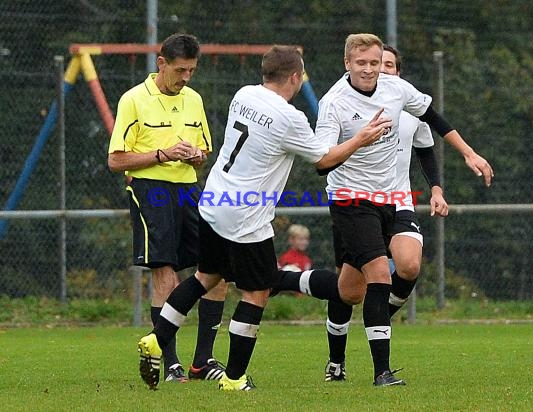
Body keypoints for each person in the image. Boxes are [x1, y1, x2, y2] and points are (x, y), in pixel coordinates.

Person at [136, 45, 393, 391]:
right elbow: (323, 161)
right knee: (257, 292)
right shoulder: (289, 118)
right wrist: (360, 139)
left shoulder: (244, 94)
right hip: (245, 218)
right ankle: (234, 378)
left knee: (204, 277)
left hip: (215, 201)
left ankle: (156, 339)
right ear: (294, 77)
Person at [272, 34, 493, 387]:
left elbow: (433, 118)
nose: (370, 69)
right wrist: (361, 139)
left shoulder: (396, 88)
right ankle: (382, 373)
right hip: (350, 199)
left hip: (391, 198)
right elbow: (322, 162)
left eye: (375, 63)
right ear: (347, 63)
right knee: (379, 274)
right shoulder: (334, 102)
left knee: (352, 289)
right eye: (362, 63)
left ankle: (283, 279)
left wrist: (468, 153)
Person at [108, 33, 226, 383]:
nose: (186, 77)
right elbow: (116, 160)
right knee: (167, 275)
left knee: (216, 270)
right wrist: (161, 154)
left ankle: (202, 361)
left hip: (189, 188)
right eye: (180, 70)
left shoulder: (194, 99)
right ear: (161, 64)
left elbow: (204, 155)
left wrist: (196, 156)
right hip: (149, 190)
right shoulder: (133, 99)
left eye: (191, 70)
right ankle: (170, 362)